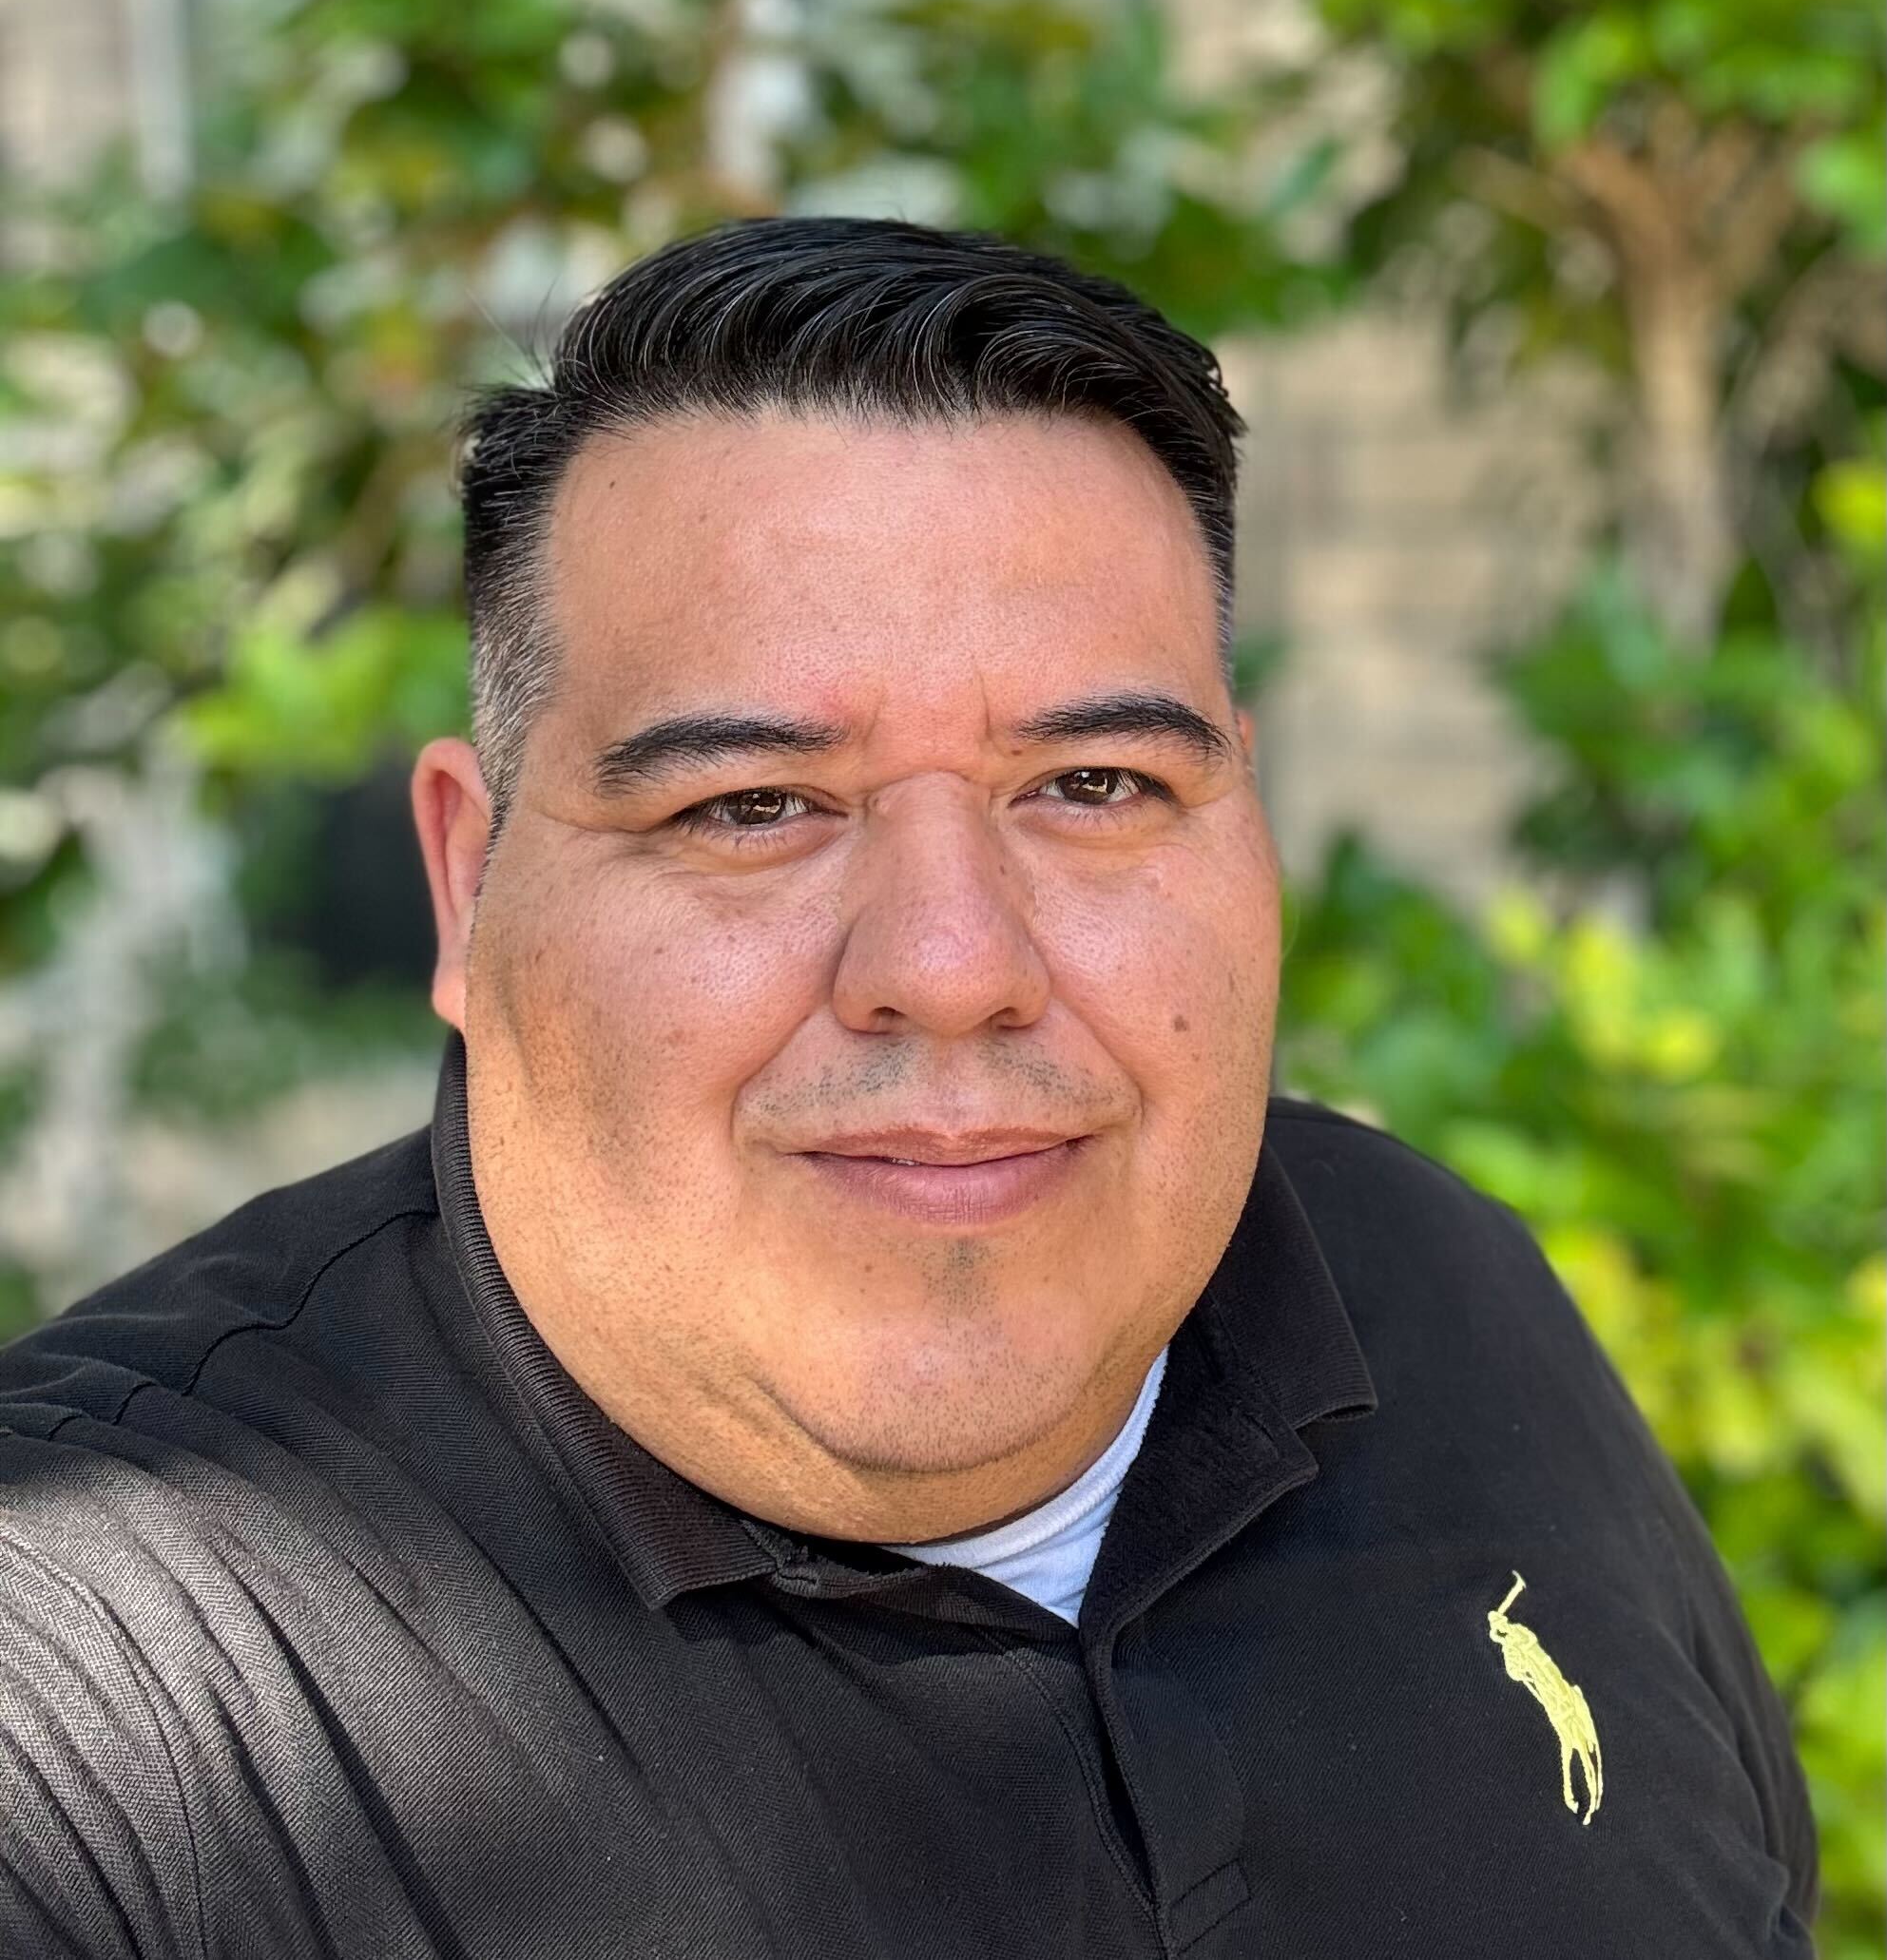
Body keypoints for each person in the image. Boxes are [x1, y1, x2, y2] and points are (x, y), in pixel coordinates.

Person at [0, 218, 1818, 1959]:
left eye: (1094, 785)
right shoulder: (92, 1702)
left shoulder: (1437, 1291)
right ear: (473, 882)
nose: (950, 966)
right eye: (750, 808)